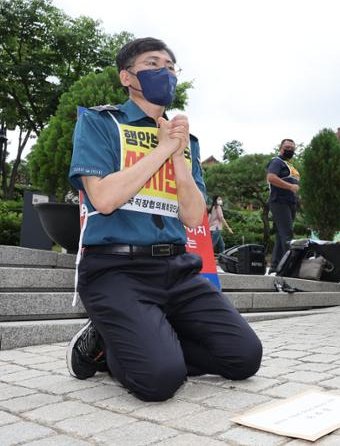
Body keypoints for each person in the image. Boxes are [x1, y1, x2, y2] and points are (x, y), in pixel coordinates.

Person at [66, 37, 262, 402]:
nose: (165, 72)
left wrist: (177, 157)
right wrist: (161, 150)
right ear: (127, 76)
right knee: (159, 381)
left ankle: (143, 337)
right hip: (115, 269)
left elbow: (192, 216)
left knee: (244, 357)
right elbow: (105, 199)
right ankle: (107, 345)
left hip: (176, 268)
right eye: (153, 64)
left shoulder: (185, 140)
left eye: (171, 67)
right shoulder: (100, 122)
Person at [266, 139, 299, 273]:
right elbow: (271, 177)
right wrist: (290, 186)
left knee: (281, 235)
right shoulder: (276, 162)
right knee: (287, 235)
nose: (290, 149)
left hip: (290, 202)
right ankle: (289, 267)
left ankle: (275, 266)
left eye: (292, 148)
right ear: (280, 148)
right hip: (279, 201)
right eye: (287, 147)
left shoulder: (289, 165)